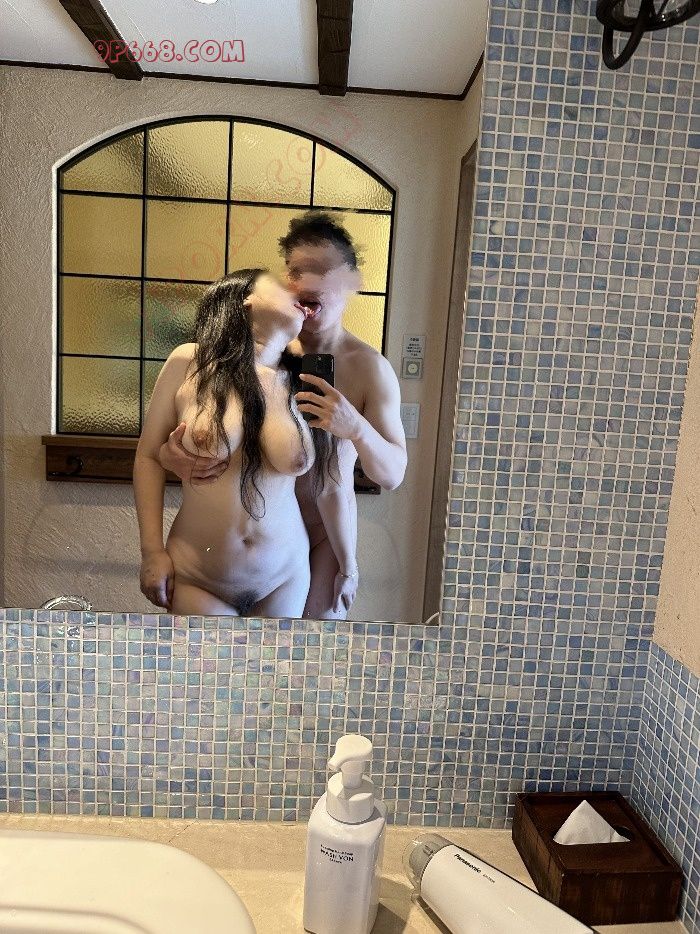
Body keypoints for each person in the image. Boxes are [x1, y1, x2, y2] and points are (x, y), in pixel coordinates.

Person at [158, 212, 407, 619]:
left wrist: (357, 428)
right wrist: (171, 455)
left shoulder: (368, 369)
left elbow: (392, 474)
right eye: (296, 271)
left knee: (303, 651)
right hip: (243, 539)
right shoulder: (258, 349)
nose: (307, 282)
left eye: (322, 271)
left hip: (323, 535)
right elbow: (192, 419)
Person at [133, 268, 352, 617]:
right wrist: (151, 552)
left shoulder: (307, 380)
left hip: (285, 577)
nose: (296, 294)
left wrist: (349, 566)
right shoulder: (190, 362)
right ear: (246, 299)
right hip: (197, 574)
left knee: (273, 658)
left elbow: (333, 483)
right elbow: (147, 457)